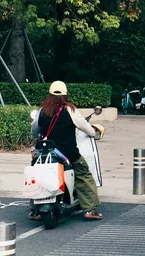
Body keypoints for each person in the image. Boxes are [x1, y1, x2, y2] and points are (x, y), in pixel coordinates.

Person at [30, 81, 103, 220]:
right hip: (68, 153)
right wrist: (94, 133)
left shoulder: (42, 110)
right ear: (65, 95)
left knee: (38, 176)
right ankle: (90, 210)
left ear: (49, 94)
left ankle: (35, 211)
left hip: (46, 153)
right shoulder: (70, 109)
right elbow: (84, 126)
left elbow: (34, 129)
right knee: (83, 175)